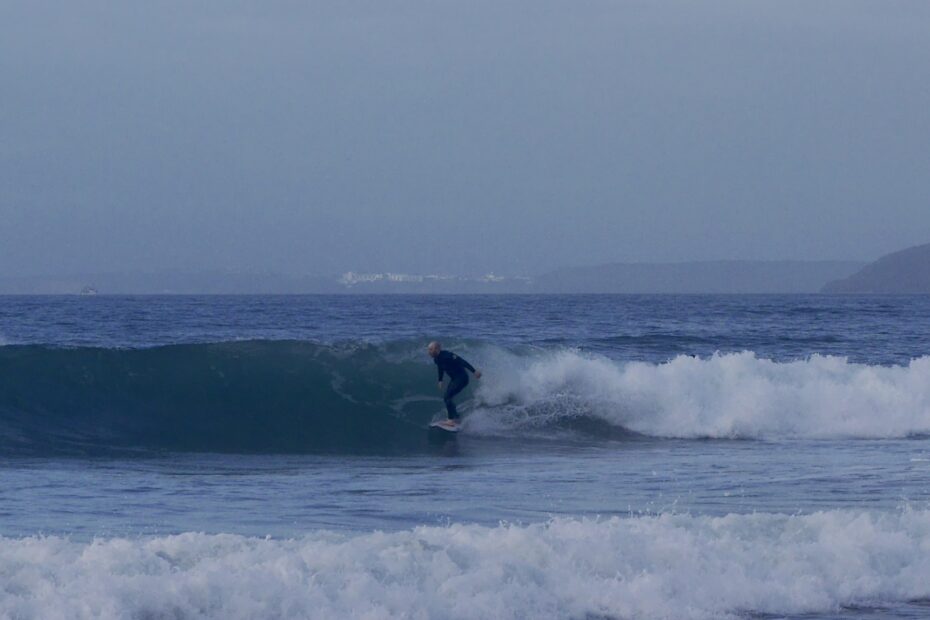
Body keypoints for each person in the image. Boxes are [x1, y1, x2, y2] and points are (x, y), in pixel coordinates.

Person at [427, 341, 481, 424]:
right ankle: (456, 416)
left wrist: (474, 371)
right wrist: (440, 380)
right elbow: (440, 368)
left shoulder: (447, 355)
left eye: (430, 349)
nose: (428, 352)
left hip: (462, 378)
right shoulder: (436, 359)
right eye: (428, 349)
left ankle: (451, 420)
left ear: (437, 349)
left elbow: (462, 361)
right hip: (454, 379)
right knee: (448, 398)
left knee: (447, 398)